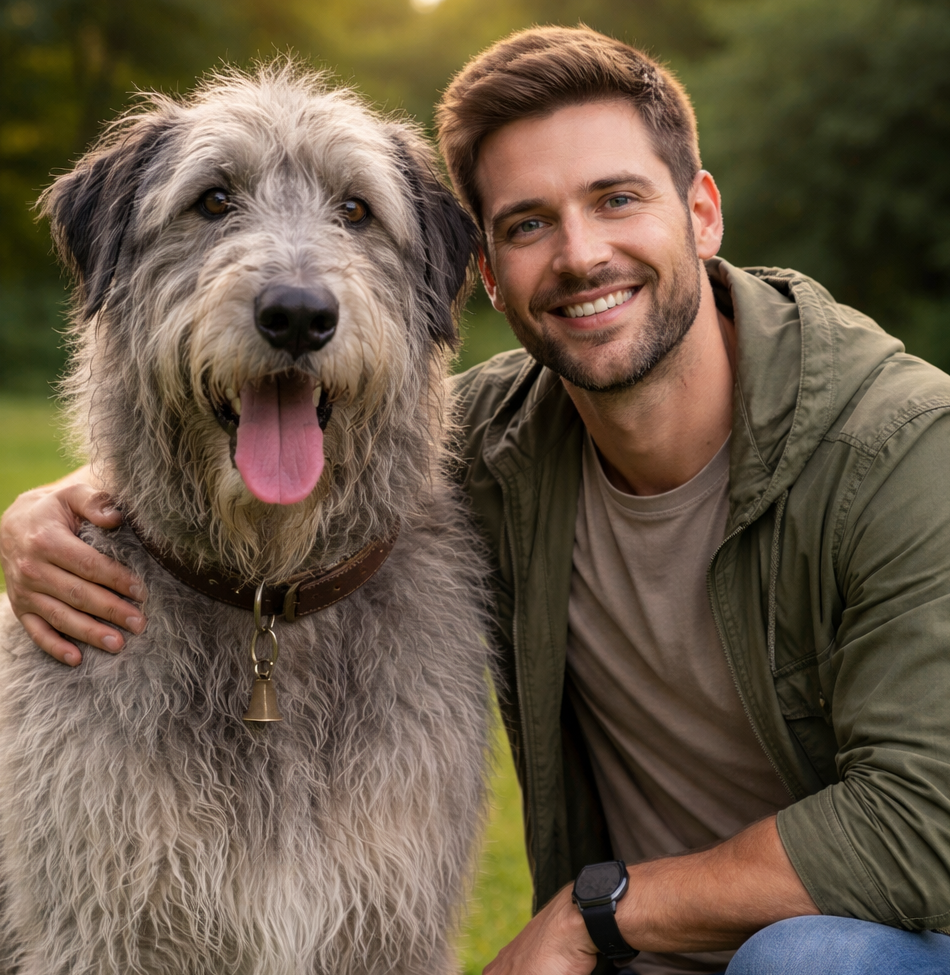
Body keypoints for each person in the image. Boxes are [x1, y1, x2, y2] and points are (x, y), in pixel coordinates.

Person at [2, 24, 950, 975]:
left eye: (618, 199)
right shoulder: (498, 442)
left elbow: (926, 822)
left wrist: (593, 915)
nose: (582, 254)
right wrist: (57, 508)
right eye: (531, 222)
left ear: (701, 212)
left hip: (858, 937)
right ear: (482, 274)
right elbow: (306, 447)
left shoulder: (908, 450)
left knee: (813, 961)